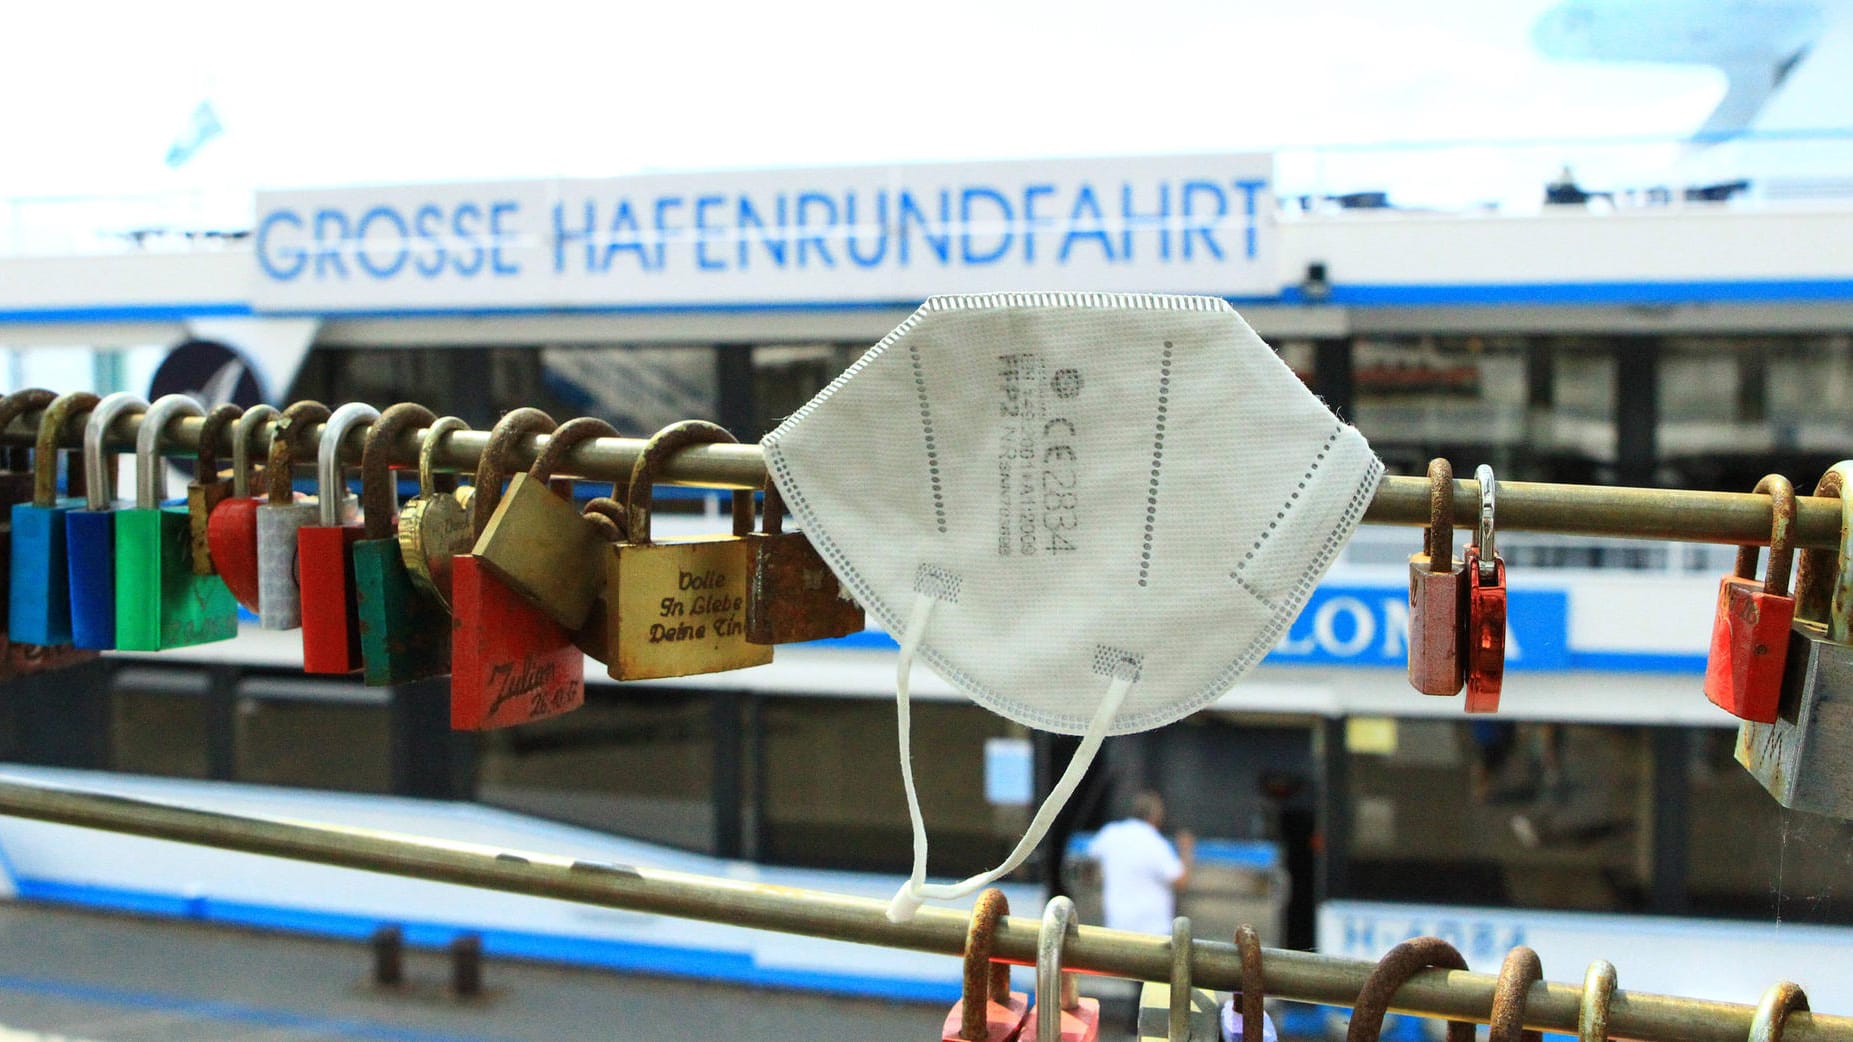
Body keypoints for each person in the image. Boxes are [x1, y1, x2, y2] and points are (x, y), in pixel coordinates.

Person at [1086, 791, 1195, 936]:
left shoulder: (1110, 833)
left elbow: (1088, 858)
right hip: (1153, 931)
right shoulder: (1156, 843)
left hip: (1116, 926)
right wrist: (1185, 851)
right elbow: (1181, 882)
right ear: (1156, 816)